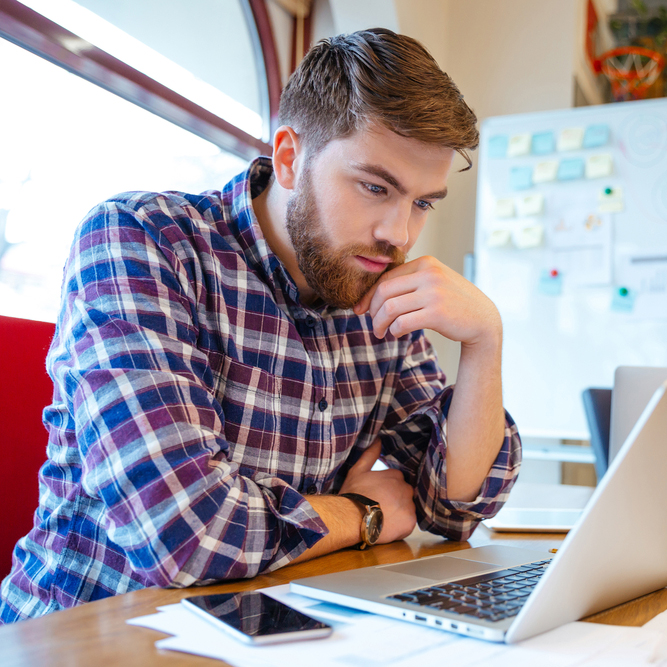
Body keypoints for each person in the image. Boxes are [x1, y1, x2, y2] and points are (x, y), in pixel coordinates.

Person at [0, 27, 520, 623]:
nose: (398, 233)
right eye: (375, 187)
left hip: (268, 628)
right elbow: (187, 536)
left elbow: (452, 507)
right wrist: (361, 514)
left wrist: (485, 341)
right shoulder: (143, 241)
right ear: (291, 158)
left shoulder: (374, 282)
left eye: (423, 202)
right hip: (88, 634)